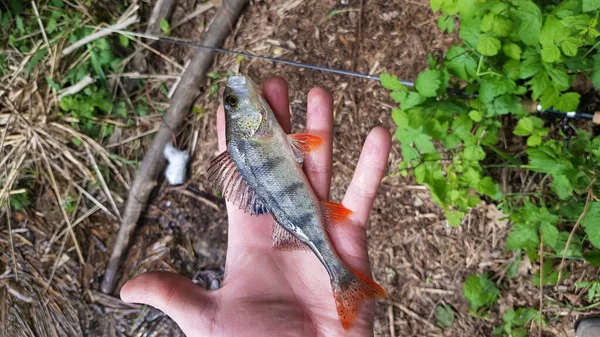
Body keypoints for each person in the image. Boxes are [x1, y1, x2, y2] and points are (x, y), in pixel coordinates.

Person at [120, 77, 392, 336]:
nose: (235, 94)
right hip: (300, 212)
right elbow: (301, 147)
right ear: (245, 123)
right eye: (233, 104)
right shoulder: (250, 136)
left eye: (232, 103)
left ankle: (344, 281)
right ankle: (342, 279)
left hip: (297, 214)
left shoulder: (253, 136)